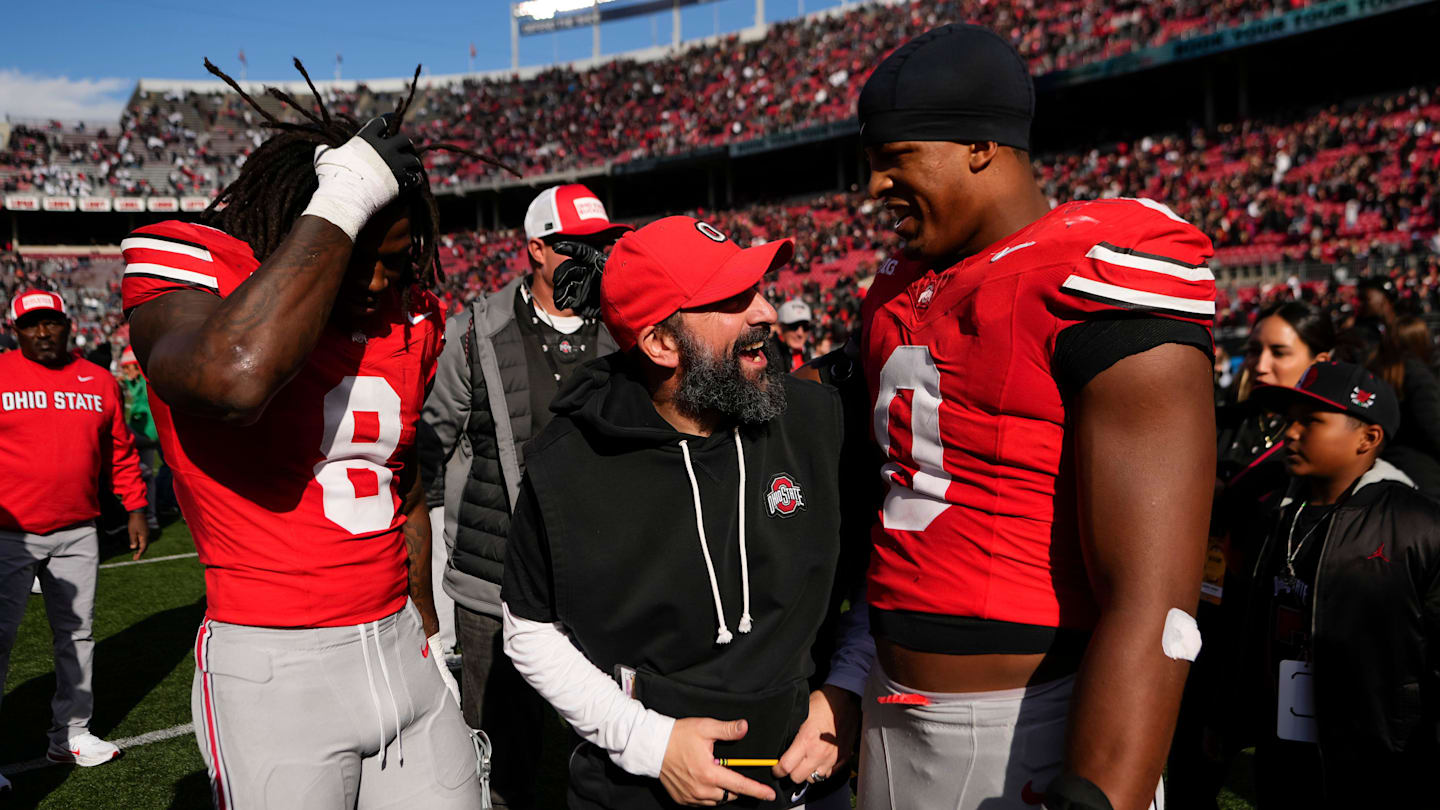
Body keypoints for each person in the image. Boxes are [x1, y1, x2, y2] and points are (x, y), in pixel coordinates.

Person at [855, 24, 1216, 810]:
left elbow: (1154, 596)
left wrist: (1103, 787)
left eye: (897, 157)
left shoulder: (1092, 272)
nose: (874, 186)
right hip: (888, 709)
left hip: (1027, 719)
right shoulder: (897, 287)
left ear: (981, 147)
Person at [120, 60, 481, 809]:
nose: (379, 285)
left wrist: (426, 631)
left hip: (401, 649)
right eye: (360, 260)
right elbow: (231, 379)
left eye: (395, 264)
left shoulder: (413, 319)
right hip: (274, 667)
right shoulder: (197, 270)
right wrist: (343, 198)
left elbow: (402, 484)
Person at [501, 216, 870, 809]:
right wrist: (649, 743)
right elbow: (528, 629)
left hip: (807, 781)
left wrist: (847, 689)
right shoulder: (567, 463)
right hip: (637, 791)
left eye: (757, 290)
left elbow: (884, 573)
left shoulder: (817, 421)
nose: (766, 313)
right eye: (732, 300)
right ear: (660, 343)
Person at [422, 182, 630, 808]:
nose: (591, 258)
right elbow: (433, 445)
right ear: (535, 249)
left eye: (600, 245)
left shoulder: (624, 329)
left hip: (596, 577)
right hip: (494, 577)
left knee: (604, 746)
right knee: (501, 753)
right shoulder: (473, 332)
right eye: (575, 245)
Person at [1231, 360, 1439, 806]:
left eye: (1311, 421)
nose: (1290, 433)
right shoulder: (1275, 514)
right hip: (1284, 748)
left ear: (1368, 437)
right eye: (1289, 420)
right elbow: (1249, 626)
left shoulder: (1418, 525)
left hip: (1382, 758)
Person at [0, 289, 149, 794]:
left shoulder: (98, 379)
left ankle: (71, 733)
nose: (43, 332)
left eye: (51, 323)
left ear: (68, 326)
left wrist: (135, 506)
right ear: (15, 330)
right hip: (8, 534)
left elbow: (120, 450)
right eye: (31, 324)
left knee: (77, 636)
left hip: (78, 530)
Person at [118, 345, 163, 532]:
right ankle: (151, 516)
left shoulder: (146, 382)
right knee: (148, 477)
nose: (126, 372)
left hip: (146, 435)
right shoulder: (141, 382)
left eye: (128, 367)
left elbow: (140, 400)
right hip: (147, 436)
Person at [768, 299, 812, 371]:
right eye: (794, 326)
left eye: (805, 327)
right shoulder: (768, 355)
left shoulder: (807, 349)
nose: (800, 333)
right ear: (779, 328)